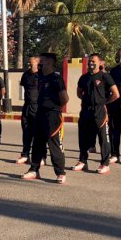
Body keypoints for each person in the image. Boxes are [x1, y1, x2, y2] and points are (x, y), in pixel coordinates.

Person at [22, 53, 69, 184]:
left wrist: (54, 108)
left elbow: (65, 98)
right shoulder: (41, 77)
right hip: (40, 113)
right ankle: (34, 169)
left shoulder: (56, 79)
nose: (40, 64)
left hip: (53, 115)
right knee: (37, 143)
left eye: (42, 61)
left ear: (49, 63)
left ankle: (60, 172)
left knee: (54, 144)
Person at [73, 53, 119, 174]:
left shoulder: (105, 77)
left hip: (99, 111)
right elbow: (79, 93)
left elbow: (116, 94)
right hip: (85, 110)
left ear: (100, 63)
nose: (91, 64)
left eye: (93, 61)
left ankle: (104, 163)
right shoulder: (84, 77)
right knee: (83, 136)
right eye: (89, 62)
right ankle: (83, 161)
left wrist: (104, 102)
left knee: (103, 137)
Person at [17, 56, 40, 164]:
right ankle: (25, 155)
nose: (29, 65)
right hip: (27, 106)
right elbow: (23, 87)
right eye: (28, 63)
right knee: (26, 131)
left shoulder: (42, 75)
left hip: (38, 107)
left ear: (37, 63)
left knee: (38, 133)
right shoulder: (26, 74)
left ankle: (40, 157)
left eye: (31, 63)